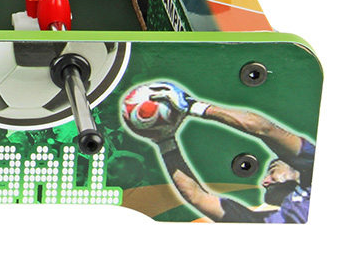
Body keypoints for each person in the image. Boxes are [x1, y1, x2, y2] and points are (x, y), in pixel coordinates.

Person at [128, 82, 313, 223]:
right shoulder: (265, 223)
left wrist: (193, 106)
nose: (264, 182)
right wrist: (164, 141)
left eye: (273, 170)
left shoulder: (315, 164)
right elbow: (196, 196)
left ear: (297, 169)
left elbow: (264, 129)